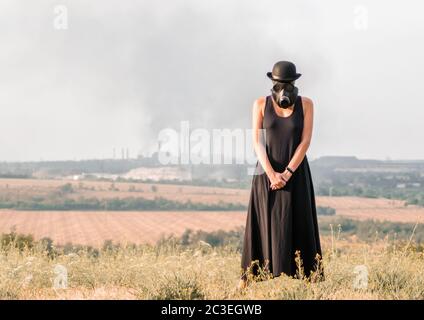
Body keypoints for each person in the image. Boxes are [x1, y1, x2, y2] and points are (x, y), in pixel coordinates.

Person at [238, 61, 324, 289]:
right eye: (279, 83)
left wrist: (286, 174)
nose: (283, 88)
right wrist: (271, 174)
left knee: (301, 221)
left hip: (296, 174)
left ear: (294, 83)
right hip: (265, 174)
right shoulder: (259, 104)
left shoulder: (306, 104)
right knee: (259, 224)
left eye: (288, 83)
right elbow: (257, 142)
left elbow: (305, 142)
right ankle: (246, 281)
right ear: (272, 83)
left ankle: (312, 281)